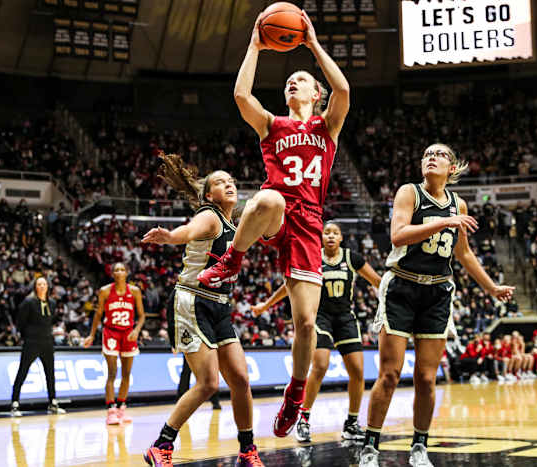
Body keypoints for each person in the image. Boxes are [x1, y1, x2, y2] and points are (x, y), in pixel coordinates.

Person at [196, 9, 350, 438]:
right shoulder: (273, 124)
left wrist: (313, 44)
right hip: (277, 215)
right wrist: (255, 46)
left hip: (310, 226)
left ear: (315, 93)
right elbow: (242, 96)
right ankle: (232, 259)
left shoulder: (326, 125)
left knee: (305, 324)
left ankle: (295, 394)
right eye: (289, 80)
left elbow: (344, 87)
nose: (292, 82)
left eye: (300, 79)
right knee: (266, 195)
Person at [360, 143, 515, 467]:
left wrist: (491, 287)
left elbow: (464, 254)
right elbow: (398, 236)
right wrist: (444, 222)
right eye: (426, 154)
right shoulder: (410, 193)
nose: (431, 157)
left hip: (437, 293)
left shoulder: (457, 203)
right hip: (401, 286)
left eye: (439, 154)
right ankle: (370, 446)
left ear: (452, 167)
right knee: (389, 374)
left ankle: (419, 446)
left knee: (427, 379)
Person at [141, 153, 264, 467]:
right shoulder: (209, 215)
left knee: (240, 378)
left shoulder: (233, 224)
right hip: (193, 300)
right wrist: (171, 237)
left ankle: (248, 449)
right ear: (209, 194)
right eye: (221, 182)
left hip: (220, 305)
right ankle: (161, 445)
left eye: (231, 181)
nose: (229, 185)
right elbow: (190, 230)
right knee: (208, 383)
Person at [251, 222, 381, 443]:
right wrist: (265, 305)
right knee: (319, 365)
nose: (330, 236)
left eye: (335, 233)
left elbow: (377, 281)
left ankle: (351, 424)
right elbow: (290, 286)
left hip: (345, 317)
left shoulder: (352, 258)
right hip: (320, 317)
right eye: (326, 232)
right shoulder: (313, 257)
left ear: (341, 238)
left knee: (358, 371)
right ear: (321, 238)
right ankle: (304, 418)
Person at [84, 262, 146, 425]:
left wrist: (136, 330)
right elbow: (98, 314)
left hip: (128, 334)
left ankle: (121, 408)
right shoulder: (105, 291)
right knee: (112, 373)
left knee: (126, 374)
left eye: (122, 269)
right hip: (110, 333)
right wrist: (91, 335)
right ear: (112, 274)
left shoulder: (134, 291)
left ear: (127, 273)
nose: (119, 272)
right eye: (116, 269)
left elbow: (142, 316)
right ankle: (111, 411)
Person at [10, 277, 65, 416]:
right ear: (35, 287)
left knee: (50, 373)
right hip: (31, 342)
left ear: (48, 286)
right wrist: (26, 336)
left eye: (44, 284)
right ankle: (14, 403)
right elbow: (20, 322)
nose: (42, 286)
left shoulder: (52, 303)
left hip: (47, 342)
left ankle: (52, 402)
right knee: (23, 371)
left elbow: (51, 321)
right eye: (39, 284)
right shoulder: (28, 302)